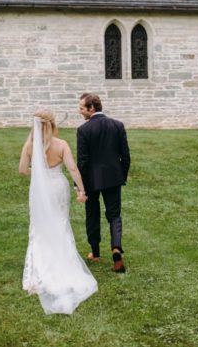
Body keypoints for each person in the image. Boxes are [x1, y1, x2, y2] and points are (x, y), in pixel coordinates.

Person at [20, 109, 98, 314]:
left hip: (39, 189)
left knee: (39, 225)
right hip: (58, 186)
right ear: (53, 124)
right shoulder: (61, 144)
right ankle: (64, 263)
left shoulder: (30, 145)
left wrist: (38, 175)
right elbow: (73, 169)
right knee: (60, 222)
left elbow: (22, 170)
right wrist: (81, 190)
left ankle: (39, 271)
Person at [77, 93, 131, 273]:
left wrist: (79, 185)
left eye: (82, 108)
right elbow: (126, 156)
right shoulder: (117, 125)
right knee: (114, 215)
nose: (80, 111)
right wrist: (121, 176)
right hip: (114, 177)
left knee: (92, 214)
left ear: (92, 108)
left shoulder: (83, 130)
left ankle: (95, 252)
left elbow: (82, 161)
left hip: (91, 180)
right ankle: (116, 247)